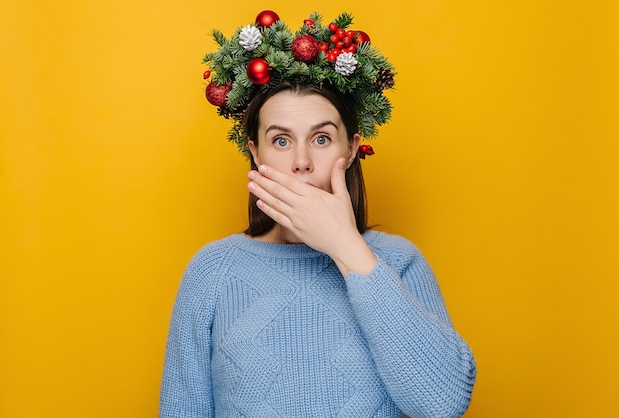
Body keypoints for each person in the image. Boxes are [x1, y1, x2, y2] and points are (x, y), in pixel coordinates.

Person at [160, 10, 476, 418]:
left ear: (351, 149)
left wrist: (347, 247)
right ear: (254, 154)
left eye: (322, 138)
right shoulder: (212, 272)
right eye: (280, 140)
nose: (302, 162)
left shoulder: (399, 262)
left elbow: (443, 405)